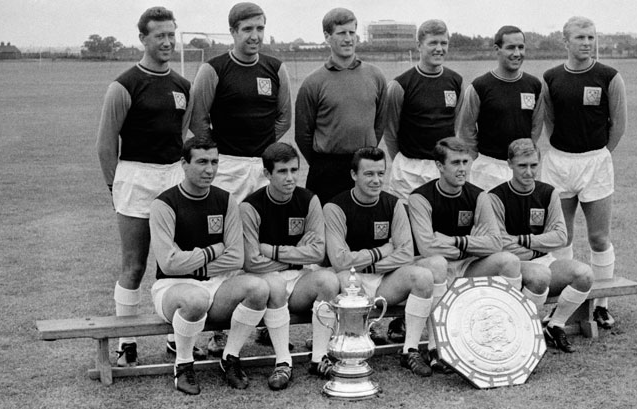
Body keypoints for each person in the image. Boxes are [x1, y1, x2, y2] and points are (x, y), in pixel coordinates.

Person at [189, 2, 292, 355]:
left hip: (262, 165)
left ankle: (267, 318)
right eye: (247, 29)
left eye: (260, 28)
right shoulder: (213, 69)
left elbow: (283, 119)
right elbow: (199, 120)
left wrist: (261, 148)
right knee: (227, 238)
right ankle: (220, 329)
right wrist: (223, 154)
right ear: (233, 31)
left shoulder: (275, 68)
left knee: (264, 234)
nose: (255, 36)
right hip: (228, 165)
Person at [96, 6, 196, 366]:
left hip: (172, 177)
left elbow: (183, 133)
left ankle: (176, 337)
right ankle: (127, 342)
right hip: (134, 177)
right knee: (134, 264)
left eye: (171, 34)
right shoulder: (124, 86)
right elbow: (106, 145)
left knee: (175, 262)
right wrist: (115, 188)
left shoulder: (184, 86)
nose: (167, 41)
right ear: (143, 39)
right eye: (160, 36)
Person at [149, 136, 270, 395]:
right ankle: (183, 365)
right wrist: (213, 250)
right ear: (184, 163)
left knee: (259, 289)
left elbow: (236, 258)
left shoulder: (225, 200)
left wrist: (192, 260)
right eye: (202, 162)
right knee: (195, 298)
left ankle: (231, 357)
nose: (210, 169)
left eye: (214, 162)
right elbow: (168, 263)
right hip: (173, 287)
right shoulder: (164, 203)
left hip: (217, 285)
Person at [323, 147, 447, 377]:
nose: (376, 180)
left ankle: (410, 350)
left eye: (381, 173)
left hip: (385, 280)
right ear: (354, 175)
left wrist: (365, 261)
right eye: (369, 174)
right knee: (342, 276)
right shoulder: (335, 207)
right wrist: (382, 251)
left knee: (423, 275)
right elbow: (340, 260)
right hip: (351, 281)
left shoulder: (394, 204)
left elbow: (406, 253)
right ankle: (351, 346)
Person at [540, 16, 627, 330]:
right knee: (562, 237)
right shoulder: (550, 78)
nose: (587, 43)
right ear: (565, 41)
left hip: (596, 162)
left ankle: (600, 305)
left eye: (591, 37)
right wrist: (566, 153)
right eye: (580, 37)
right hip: (559, 163)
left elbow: (618, 125)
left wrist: (597, 156)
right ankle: (567, 303)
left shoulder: (609, 76)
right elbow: (548, 122)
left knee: (598, 237)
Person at [408, 137, 522, 368]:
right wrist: (474, 242)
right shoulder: (420, 197)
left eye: (466, 162)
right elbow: (427, 247)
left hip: (466, 265)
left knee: (509, 261)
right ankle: (436, 347)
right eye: (455, 163)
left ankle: (508, 337)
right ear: (440, 166)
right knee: (437, 262)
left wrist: (455, 240)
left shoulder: (479, 196)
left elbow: (494, 243)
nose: (462, 169)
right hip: (431, 270)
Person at [240, 142, 340, 386]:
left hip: (298, 280)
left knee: (329, 279)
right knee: (274, 284)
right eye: (282, 172)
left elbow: (317, 253)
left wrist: (272, 251)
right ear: (267, 174)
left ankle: (319, 357)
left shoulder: (309, 200)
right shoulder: (249, 206)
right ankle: (283, 362)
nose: (290, 178)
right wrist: (296, 254)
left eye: (294, 170)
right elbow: (251, 262)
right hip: (265, 282)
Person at [487, 138, 594, 353]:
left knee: (584, 275)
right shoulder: (495, 197)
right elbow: (500, 244)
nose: (528, 172)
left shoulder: (548, 193)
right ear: (509, 164)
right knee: (539, 276)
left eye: (533, 165)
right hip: (514, 267)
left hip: (544, 261)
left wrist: (525, 241)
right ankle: (520, 331)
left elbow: (561, 236)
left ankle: (554, 325)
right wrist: (541, 244)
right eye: (522, 166)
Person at [295, 7, 387, 204]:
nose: (348, 39)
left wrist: (365, 154)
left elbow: (380, 123)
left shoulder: (376, 76)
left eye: (352, 32)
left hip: (364, 166)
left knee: (362, 227)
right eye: (341, 33)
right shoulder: (313, 82)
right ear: (327, 37)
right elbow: (302, 133)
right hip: (327, 169)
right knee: (325, 228)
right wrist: (323, 163)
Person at [384, 19, 464, 203]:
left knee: (442, 226)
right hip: (408, 170)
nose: (439, 48)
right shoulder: (400, 85)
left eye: (443, 43)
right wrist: (403, 160)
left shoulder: (456, 81)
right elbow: (390, 131)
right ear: (419, 45)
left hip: (443, 167)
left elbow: (457, 125)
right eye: (433, 43)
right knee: (409, 226)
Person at [456, 25, 544, 191]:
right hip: (488, 168)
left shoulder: (534, 85)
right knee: (487, 216)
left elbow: (536, 126)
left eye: (521, 47)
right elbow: (466, 129)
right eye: (510, 47)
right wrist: (478, 160)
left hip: (520, 167)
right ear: (497, 49)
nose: (517, 53)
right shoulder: (480, 86)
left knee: (519, 216)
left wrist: (524, 156)